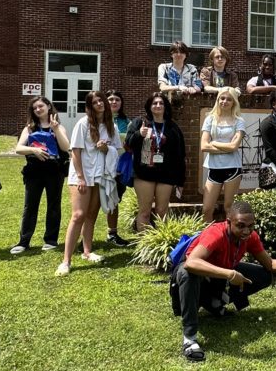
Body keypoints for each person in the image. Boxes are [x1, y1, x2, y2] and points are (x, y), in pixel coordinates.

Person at [172, 200, 276, 361]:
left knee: (263, 275)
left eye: (251, 226)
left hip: (218, 276)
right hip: (191, 277)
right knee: (189, 273)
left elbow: (270, 264)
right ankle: (190, 339)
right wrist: (230, 274)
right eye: (241, 225)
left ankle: (215, 302)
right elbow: (191, 263)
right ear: (229, 223)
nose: (247, 231)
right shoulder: (216, 234)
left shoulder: (250, 237)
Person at [56, 91, 121, 276]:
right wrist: (81, 177)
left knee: (91, 215)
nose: (99, 104)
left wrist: (106, 148)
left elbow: (117, 149)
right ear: (90, 106)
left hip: (100, 176)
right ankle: (66, 261)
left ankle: (86, 252)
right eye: (95, 102)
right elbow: (74, 151)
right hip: (82, 176)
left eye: (101, 100)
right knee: (78, 215)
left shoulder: (111, 126)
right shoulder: (83, 124)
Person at [11, 96, 71, 254]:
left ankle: (50, 240)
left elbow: (66, 147)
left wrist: (56, 129)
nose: (38, 110)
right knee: (30, 206)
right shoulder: (30, 127)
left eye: (41, 106)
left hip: (54, 171)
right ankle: (24, 242)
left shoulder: (58, 126)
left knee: (53, 206)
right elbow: (18, 148)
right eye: (35, 108)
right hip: (34, 172)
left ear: (48, 106)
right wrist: (33, 150)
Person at [127, 92, 186, 231]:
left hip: (166, 175)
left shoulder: (173, 127)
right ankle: (144, 245)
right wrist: (138, 134)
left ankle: (161, 244)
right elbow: (128, 144)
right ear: (149, 106)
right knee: (145, 211)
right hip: (144, 173)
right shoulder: (140, 123)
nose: (158, 106)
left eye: (161, 103)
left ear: (166, 107)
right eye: (155, 103)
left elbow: (180, 155)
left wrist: (180, 180)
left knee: (162, 211)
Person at [201, 87, 247, 222]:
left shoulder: (239, 121)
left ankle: (230, 240)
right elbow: (204, 146)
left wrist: (214, 143)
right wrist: (227, 147)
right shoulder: (210, 119)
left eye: (229, 99)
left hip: (232, 168)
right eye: (222, 98)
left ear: (234, 102)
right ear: (217, 100)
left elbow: (234, 146)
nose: (224, 101)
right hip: (214, 168)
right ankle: (209, 240)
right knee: (207, 209)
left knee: (229, 208)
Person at [104, 90, 132, 247]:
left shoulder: (127, 122)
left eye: (117, 100)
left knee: (114, 200)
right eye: (110, 99)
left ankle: (112, 233)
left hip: (119, 167)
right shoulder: (99, 120)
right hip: (100, 167)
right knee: (93, 202)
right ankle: (86, 237)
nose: (113, 102)